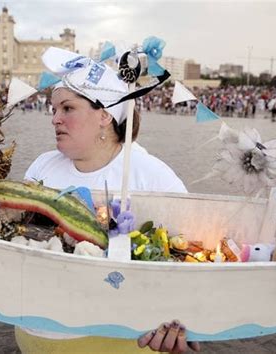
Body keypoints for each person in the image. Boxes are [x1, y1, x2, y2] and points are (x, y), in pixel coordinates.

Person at [20, 46, 200, 353]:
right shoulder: (41, 167)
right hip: (37, 335)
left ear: (104, 114)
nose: (54, 119)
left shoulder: (151, 175)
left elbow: (195, 258)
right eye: (53, 110)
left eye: (67, 108)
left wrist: (183, 322)